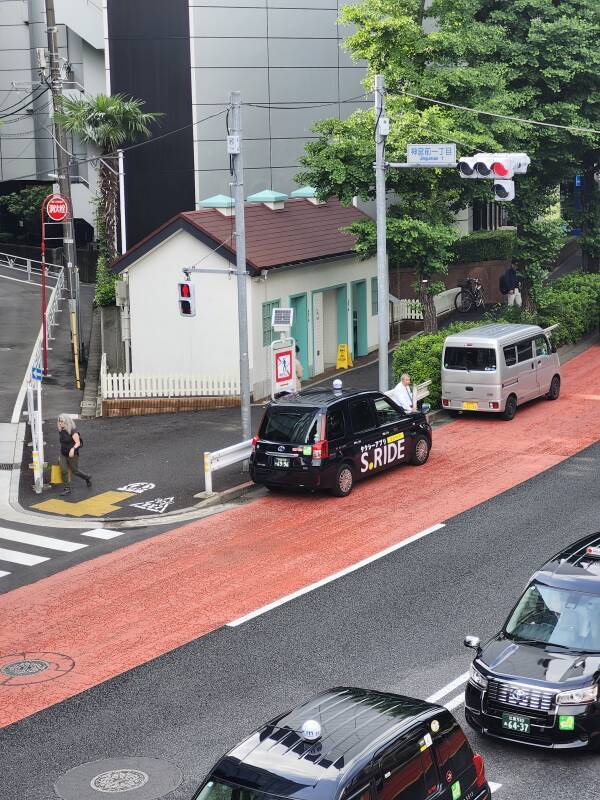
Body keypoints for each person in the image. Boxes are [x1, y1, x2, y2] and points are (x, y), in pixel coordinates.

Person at [57, 413, 91, 495]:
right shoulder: (61, 430)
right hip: (63, 454)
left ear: (67, 422)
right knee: (64, 470)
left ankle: (87, 477)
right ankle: (67, 489)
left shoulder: (73, 431)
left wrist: (73, 449)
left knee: (75, 471)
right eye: (59, 421)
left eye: (62, 421)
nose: (60, 423)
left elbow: (78, 443)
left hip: (73, 455)